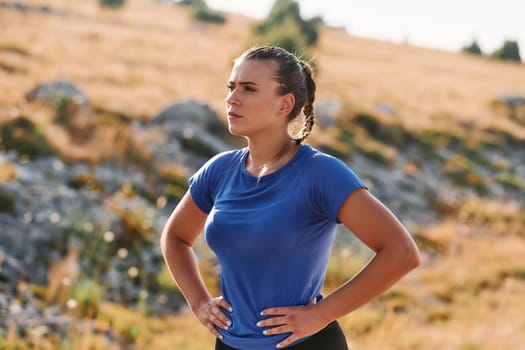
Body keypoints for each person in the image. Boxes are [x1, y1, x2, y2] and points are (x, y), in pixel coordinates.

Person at [160, 46, 421, 350]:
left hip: (304, 344)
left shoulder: (321, 173)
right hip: (230, 344)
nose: (232, 98)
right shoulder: (219, 170)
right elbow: (176, 237)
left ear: (285, 104)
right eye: (232, 87)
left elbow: (401, 253)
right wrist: (199, 302)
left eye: (249, 89)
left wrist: (321, 314)